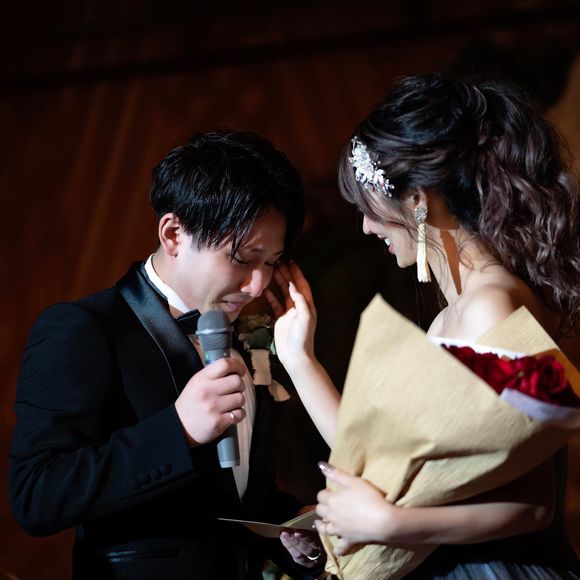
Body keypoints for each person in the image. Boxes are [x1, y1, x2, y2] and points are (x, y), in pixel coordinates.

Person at [267, 73, 580, 577]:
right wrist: (300, 360)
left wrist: (388, 524)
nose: (366, 226)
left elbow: (535, 502)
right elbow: (384, 464)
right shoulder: (449, 316)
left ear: (416, 200)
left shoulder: (491, 307)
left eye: (368, 207)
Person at [9, 130, 324, 580]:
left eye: (270, 262)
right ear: (174, 233)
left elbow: (230, 501)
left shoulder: (248, 337)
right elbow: (36, 496)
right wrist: (179, 430)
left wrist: (293, 530)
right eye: (243, 258)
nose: (257, 284)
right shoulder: (84, 328)